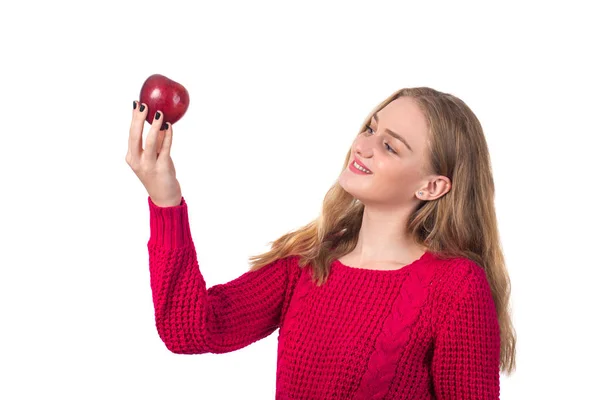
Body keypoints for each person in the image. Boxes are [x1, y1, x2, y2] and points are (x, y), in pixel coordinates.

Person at [126, 87, 517, 399]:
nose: (363, 146)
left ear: (432, 186)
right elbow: (189, 329)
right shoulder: (307, 264)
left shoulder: (455, 288)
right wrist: (165, 200)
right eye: (370, 128)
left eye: (390, 146)